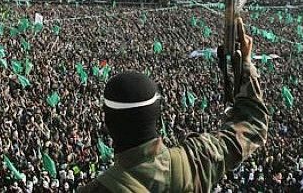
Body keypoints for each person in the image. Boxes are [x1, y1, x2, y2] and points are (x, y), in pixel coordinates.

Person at [80, 17, 269, 192]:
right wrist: (244, 65)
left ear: (108, 123)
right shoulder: (196, 160)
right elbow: (253, 125)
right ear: (157, 116)